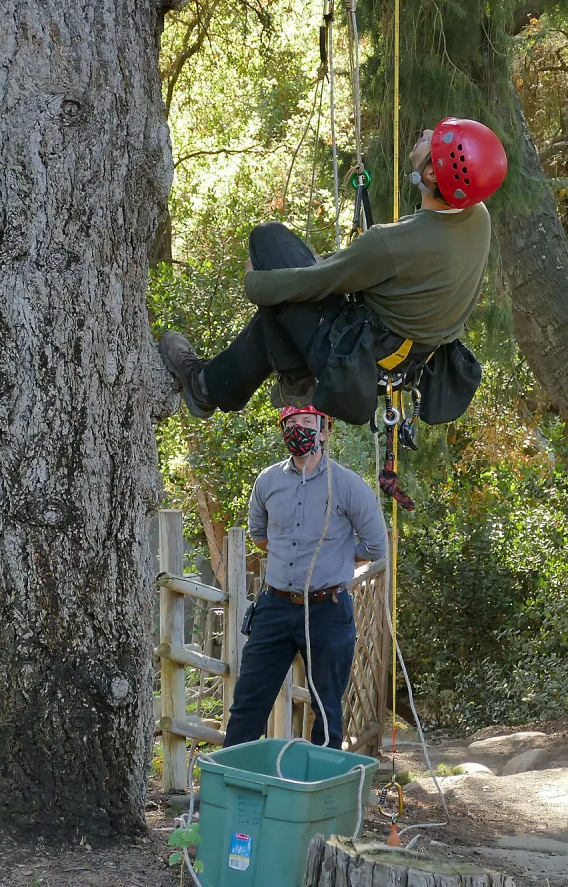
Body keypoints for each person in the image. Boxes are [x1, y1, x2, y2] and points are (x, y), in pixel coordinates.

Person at [158, 118, 507, 426]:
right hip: (404, 357)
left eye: (432, 142)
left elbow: (313, 283)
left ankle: (279, 374)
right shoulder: (477, 217)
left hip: (358, 352)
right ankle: (209, 386)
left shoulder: (393, 244)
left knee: (269, 242)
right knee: (295, 283)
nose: (426, 134)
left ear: (430, 174)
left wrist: (256, 280)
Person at [223, 404, 388, 749]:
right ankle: (232, 789)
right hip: (274, 607)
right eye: (291, 422)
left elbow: (375, 546)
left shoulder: (348, 486)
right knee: (248, 704)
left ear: (324, 430)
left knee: (327, 710)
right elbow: (260, 534)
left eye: (306, 422)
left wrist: (336, 558)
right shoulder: (267, 481)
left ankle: (320, 796)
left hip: (327, 610)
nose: (298, 429)